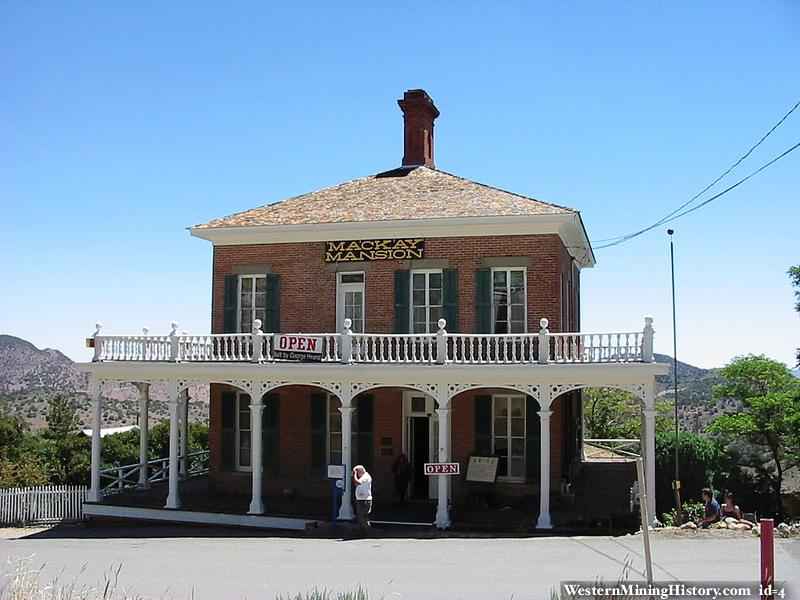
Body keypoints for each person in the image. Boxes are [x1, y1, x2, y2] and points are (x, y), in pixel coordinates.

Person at [353, 464, 372, 534]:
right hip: (360, 499)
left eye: (357, 472)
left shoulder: (366, 477)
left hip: (365, 500)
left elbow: (356, 483)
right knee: (359, 516)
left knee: (363, 517)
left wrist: (354, 474)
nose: (357, 474)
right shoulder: (363, 477)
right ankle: (362, 531)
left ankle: (368, 531)